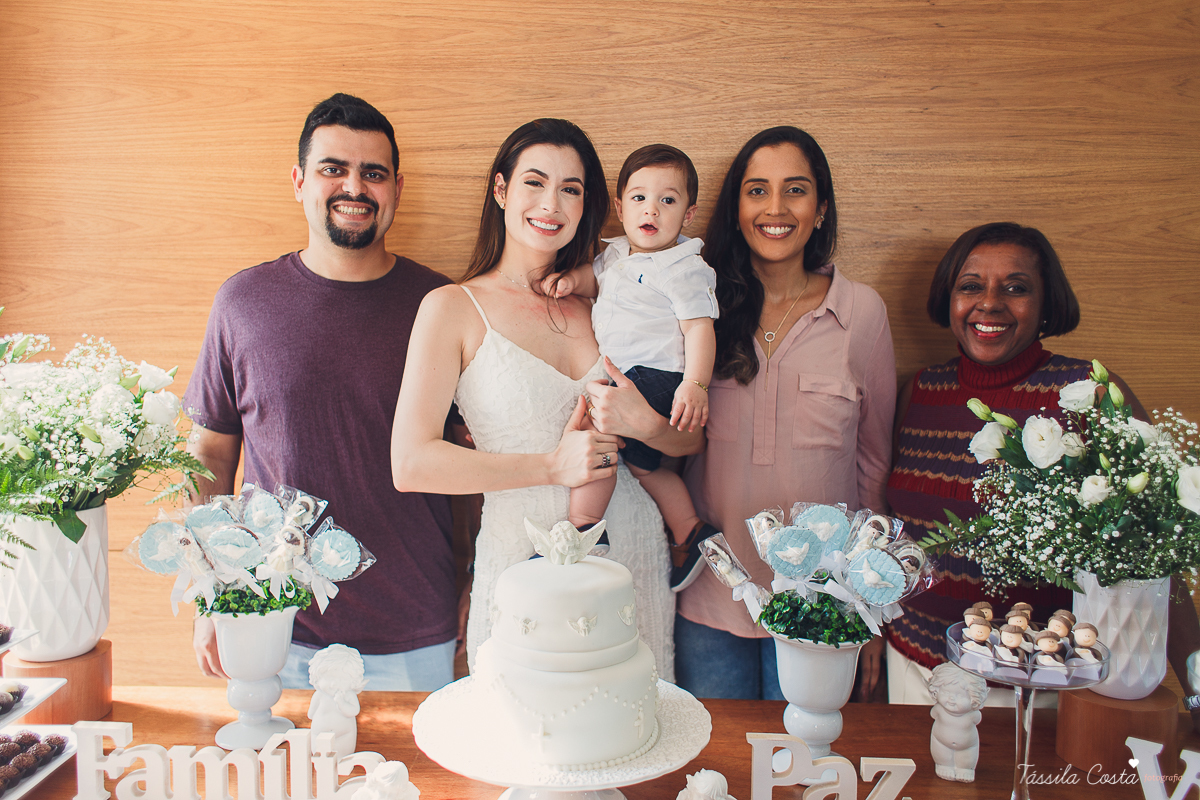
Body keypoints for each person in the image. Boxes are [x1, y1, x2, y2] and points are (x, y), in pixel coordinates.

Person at [390, 119, 700, 676]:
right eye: (534, 182)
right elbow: (411, 464)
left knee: (635, 736)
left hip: (631, 553)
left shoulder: (610, 304)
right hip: (520, 559)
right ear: (502, 190)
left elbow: (689, 434)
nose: (551, 203)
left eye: (572, 189)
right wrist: (551, 466)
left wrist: (646, 426)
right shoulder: (452, 308)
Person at [184, 94, 460, 691]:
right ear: (299, 180)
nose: (353, 187)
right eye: (333, 168)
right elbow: (209, 456)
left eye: (373, 173)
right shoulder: (243, 302)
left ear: (397, 188)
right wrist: (213, 586)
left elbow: (477, 461)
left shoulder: (445, 307)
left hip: (416, 625)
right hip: (271, 618)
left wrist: (476, 586)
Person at [883, 222, 1200, 713]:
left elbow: (1155, 563)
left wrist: (1196, 684)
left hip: (1043, 682)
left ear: (1047, 305)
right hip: (913, 667)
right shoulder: (919, 392)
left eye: (1016, 288)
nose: (989, 303)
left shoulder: (1089, 393)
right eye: (970, 286)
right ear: (949, 299)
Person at [676, 126, 896, 699]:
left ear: (821, 208)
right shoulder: (698, 309)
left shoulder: (861, 314)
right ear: (736, 206)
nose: (776, 209)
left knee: (802, 772)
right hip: (709, 593)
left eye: (795, 190)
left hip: (825, 603)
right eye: (757, 191)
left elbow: (874, 466)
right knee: (714, 774)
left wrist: (874, 600)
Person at [545, 144, 720, 592]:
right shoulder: (616, 255)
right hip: (637, 379)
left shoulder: (684, 267)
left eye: (668, 200)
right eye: (640, 198)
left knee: (594, 433)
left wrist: (696, 385)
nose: (653, 210)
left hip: (658, 377)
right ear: (621, 208)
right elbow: (594, 280)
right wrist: (571, 282)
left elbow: (700, 329)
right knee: (645, 466)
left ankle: (581, 530)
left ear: (689, 213)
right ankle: (690, 531)